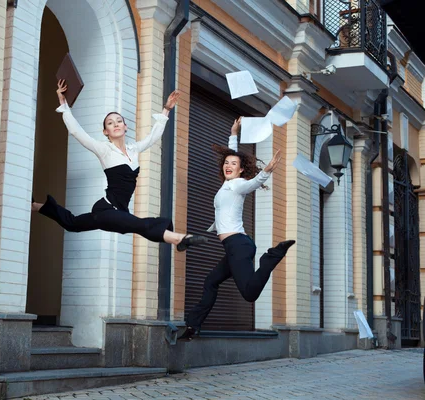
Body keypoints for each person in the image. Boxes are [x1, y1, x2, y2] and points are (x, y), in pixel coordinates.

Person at [31, 80, 208, 252]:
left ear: (125, 127)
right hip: (106, 209)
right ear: (105, 131)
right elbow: (77, 131)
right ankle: (179, 239)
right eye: (110, 122)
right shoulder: (104, 150)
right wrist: (63, 103)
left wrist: (167, 109)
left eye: (118, 121)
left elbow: (153, 137)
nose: (115, 124)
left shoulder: (133, 149)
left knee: (73, 223)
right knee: (139, 225)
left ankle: (37, 206)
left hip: (120, 212)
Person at [179, 117, 295, 340]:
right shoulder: (227, 184)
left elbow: (252, 184)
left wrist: (266, 172)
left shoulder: (239, 185)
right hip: (235, 247)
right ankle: (193, 326)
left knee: (249, 293)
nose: (228, 166)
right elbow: (230, 155)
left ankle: (272, 256)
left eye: (234, 164)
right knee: (211, 281)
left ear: (241, 171)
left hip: (238, 246)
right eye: (226, 163)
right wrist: (234, 132)